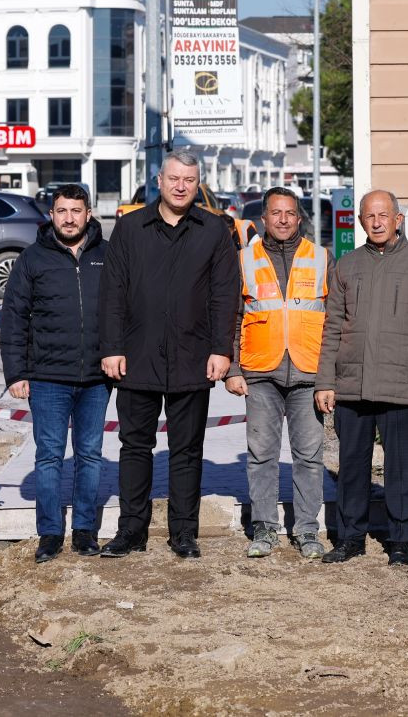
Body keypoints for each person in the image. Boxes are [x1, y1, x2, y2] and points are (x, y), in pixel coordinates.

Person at [98, 152, 240, 559]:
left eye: (190, 180)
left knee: (187, 450)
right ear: (159, 180)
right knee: (134, 447)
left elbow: (224, 294)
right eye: (174, 178)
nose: (181, 186)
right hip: (137, 357)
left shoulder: (214, 230)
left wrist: (221, 350)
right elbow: (112, 293)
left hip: (194, 357)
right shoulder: (129, 228)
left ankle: (183, 533)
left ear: (199, 185)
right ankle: (131, 532)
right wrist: (111, 348)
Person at [314, 190, 408, 566]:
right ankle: (350, 538)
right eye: (369, 216)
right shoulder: (346, 265)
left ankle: (401, 540)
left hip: (403, 387)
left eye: (383, 215)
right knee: (352, 466)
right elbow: (332, 327)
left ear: (397, 219)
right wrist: (326, 381)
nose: (376, 222)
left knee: (403, 469)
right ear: (360, 221)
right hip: (352, 386)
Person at [0, 185, 111, 563]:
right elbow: (14, 319)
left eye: (76, 211)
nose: (68, 218)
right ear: (51, 215)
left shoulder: (106, 256)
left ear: (88, 214)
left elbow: (123, 312)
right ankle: (49, 532)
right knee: (48, 455)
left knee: (90, 454)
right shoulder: (32, 260)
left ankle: (84, 530)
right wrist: (16, 373)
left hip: (96, 378)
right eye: (61, 211)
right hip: (47, 377)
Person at [225, 187, 336, 560]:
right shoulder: (243, 259)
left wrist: (330, 376)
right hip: (259, 372)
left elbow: (335, 320)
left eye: (290, 213)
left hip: (309, 372)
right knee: (261, 455)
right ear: (263, 219)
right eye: (276, 213)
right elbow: (233, 318)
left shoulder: (321, 258)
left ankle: (307, 530)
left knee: (309, 456)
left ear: (300, 218)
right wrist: (233, 369)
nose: (283, 219)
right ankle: (265, 529)